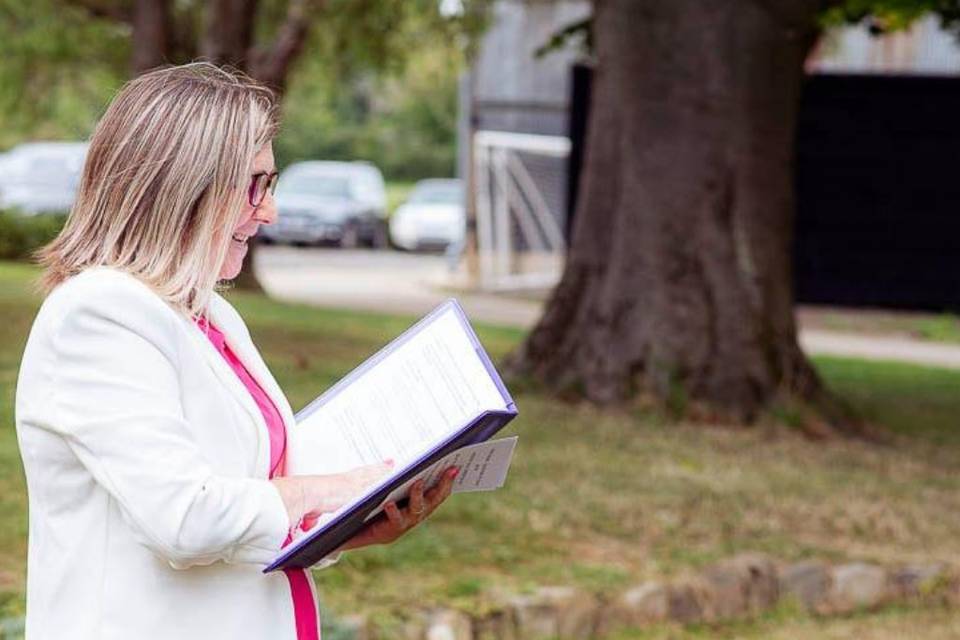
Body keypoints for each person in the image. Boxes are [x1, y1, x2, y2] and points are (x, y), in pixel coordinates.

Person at [14, 62, 457, 639]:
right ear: (181, 185)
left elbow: (248, 508)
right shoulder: (99, 314)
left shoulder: (208, 314)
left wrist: (351, 523)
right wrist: (331, 488)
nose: (269, 210)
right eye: (255, 184)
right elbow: (186, 518)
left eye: (269, 184)